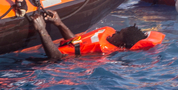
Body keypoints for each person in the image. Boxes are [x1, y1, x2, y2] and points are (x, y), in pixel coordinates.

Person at [29, 9, 164, 61]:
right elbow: (76, 43)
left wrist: (42, 30)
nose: (115, 32)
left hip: (45, 64)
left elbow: (56, 57)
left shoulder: (101, 52)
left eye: (119, 33)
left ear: (121, 45)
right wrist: (59, 24)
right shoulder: (108, 36)